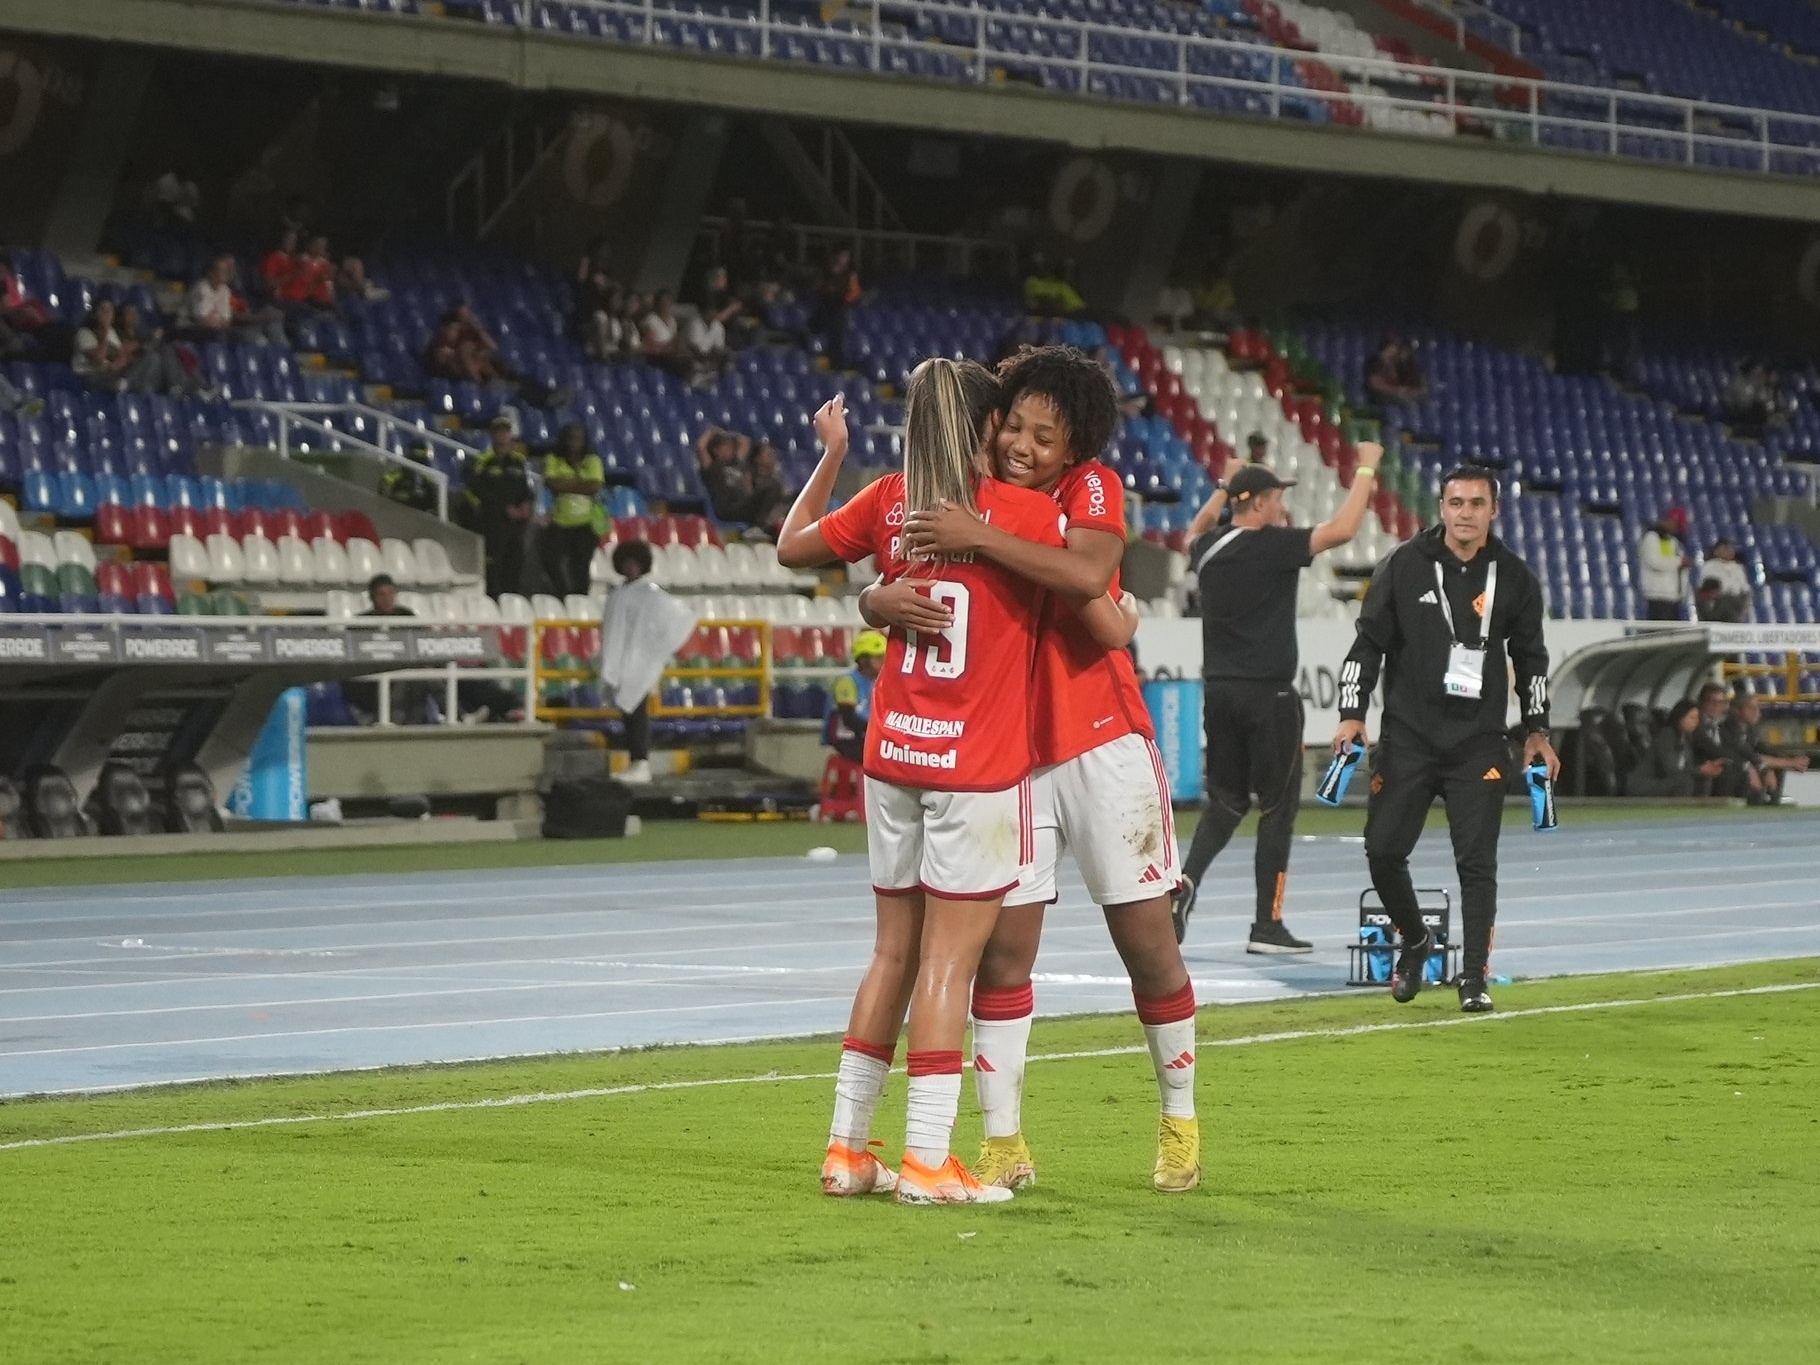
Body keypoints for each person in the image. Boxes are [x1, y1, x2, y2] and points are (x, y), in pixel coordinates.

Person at [778, 363, 1124, 1206]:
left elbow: (791, 549)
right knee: (948, 963)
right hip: (974, 767)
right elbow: (1098, 602)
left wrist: (833, 462)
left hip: (893, 750)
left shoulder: (892, 499)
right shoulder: (1027, 514)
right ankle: (931, 1159)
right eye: (1010, 426)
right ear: (989, 423)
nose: (1020, 443)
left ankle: (847, 1151)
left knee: (891, 952)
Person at [866, 343, 1199, 1194]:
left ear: (1075, 443)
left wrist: (985, 536)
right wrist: (871, 599)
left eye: (1045, 435)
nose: (1024, 445)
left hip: (1100, 746)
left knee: (1146, 945)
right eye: (1013, 425)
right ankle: (1004, 1142)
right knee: (1001, 956)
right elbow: (893, 567)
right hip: (1009, 759)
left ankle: (1179, 1116)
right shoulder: (969, 491)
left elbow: (1091, 575)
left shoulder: (1086, 490)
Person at [1332, 463, 1556, 1014]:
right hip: (1408, 737)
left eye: (1477, 504)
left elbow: (1531, 660)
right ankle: (1415, 940)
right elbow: (1367, 645)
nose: (1465, 513)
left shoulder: (1516, 576)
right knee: (1383, 850)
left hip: (1478, 741)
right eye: (1456, 503)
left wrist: (1538, 732)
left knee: (1477, 863)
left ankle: (1474, 974)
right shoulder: (1405, 565)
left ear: (1493, 510)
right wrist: (1350, 712)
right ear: (1442, 507)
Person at [1172, 455, 1381, 953]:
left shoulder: (1209, 546)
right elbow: (1344, 529)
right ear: (1261, 504)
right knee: (1277, 808)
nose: (1284, 507)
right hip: (1270, 695)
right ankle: (1267, 924)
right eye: (1278, 498)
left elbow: (1191, 533)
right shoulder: (1274, 546)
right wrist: (1367, 469)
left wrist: (1224, 486)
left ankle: (1183, 885)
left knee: (1225, 800)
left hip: (1220, 692)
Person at [598, 540, 697, 785]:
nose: (631, 568)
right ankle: (636, 762)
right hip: (623, 660)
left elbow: (677, 617)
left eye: (635, 564)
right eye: (626, 563)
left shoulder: (650, 594)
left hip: (640, 661)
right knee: (628, 714)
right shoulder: (618, 593)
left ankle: (641, 762)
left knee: (637, 713)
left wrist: (650, 650)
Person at [470, 416, 533, 598]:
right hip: (492, 522)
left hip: (516, 525)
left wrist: (525, 505)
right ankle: (494, 600)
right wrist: (503, 508)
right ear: (492, 435)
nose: (502, 435)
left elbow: (526, 489)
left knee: (514, 563)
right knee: (494, 565)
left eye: (506, 431)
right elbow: (477, 489)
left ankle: (512, 600)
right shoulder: (483, 460)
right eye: (498, 431)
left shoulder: (518, 462)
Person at [541, 422, 605, 599]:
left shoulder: (593, 460)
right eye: (570, 438)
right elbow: (552, 484)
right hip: (560, 521)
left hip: (585, 523)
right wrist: (581, 484)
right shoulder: (553, 459)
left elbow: (595, 486)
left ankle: (580, 599)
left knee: (581, 565)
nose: (574, 442)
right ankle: (562, 594)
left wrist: (565, 484)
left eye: (578, 438)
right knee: (550, 559)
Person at [182, 255, 288, 347]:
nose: (227, 272)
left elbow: (226, 320)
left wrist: (221, 322)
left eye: (231, 268)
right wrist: (262, 318)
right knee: (254, 338)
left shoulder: (225, 290)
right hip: (192, 330)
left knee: (271, 313)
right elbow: (202, 320)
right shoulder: (201, 288)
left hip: (220, 329)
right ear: (211, 272)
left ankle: (283, 353)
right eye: (223, 269)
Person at [1722, 693, 1807, 805]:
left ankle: (1773, 799)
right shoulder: (1729, 727)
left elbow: (1765, 749)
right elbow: (1747, 754)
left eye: (1758, 708)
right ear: (1737, 710)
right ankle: (1763, 800)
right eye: (1751, 708)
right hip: (1730, 770)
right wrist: (1790, 763)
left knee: (1773, 764)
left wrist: (1790, 760)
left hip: (1747, 766)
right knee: (1762, 766)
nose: (1757, 713)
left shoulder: (1751, 730)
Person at [823, 629, 886, 765]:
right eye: (878, 658)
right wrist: (878, 730)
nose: (883, 662)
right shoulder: (847, 682)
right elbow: (849, 719)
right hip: (846, 738)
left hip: (865, 736)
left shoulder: (876, 683)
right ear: (864, 660)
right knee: (884, 756)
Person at [1627, 700, 1709, 798]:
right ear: (1680, 718)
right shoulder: (1667, 735)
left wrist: (1703, 771)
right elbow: (1671, 770)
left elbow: (1686, 768)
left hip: (1664, 783)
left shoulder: (1686, 740)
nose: (1696, 722)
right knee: (1684, 781)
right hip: (1645, 784)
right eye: (1692, 718)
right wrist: (1699, 770)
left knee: (1703, 779)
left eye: (1697, 718)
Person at [808, 246, 860, 367]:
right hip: (825, 306)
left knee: (838, 333)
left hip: (840, 307)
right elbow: (817, 287)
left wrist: (843, 296)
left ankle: (836, 361)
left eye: (846, 257)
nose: (844, 259)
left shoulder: (850, 274)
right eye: (842, 256)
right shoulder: (825, 270)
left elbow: (854, 293)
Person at [695, 427, 754, 525]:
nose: (730, 450)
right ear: (716, 450)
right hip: (728, 508)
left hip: (744, 504)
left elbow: (745, 441)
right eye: (726, 447)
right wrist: (712, 431)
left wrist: (729, 434)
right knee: (770, 487)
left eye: (731, 447)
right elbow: (701, 446)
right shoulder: (712, 467)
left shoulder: (737, 462)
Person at [1638, 509, 1690, 621]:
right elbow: (1654, 562)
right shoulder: (1651, 537)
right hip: (1658, 594)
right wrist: (1679, 562)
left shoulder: (1675, 542)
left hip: (1674, 597)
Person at [1696, 539, 1752, 623]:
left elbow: (1745, 590)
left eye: (1730, 548)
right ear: (1716, 551)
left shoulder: (1738, 568)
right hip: (1717, 606)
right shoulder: (1709, 566)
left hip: (1735, 605)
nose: (1729, 551)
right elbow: (1706, 588)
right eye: (1725, 548)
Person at [380, 441, 441, 515]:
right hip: (397, 511)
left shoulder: (427, 478)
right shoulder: (400, 472)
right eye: (417, 454)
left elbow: (433, 503)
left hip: (419, 515)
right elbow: (383, 487)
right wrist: (398, 496)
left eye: (421, 455)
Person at [1364, 335, 1426, 405]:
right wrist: (1397, 390)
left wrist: (1410, 391)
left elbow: (1421, 388)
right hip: (1380, 401)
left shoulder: (1401, 364)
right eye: (1395, 346)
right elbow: (1375, 384)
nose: (1397, 349)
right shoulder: (1374, 361)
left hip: (1398, 400)